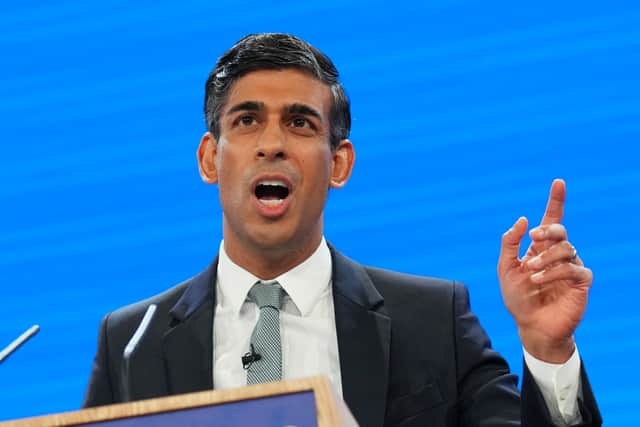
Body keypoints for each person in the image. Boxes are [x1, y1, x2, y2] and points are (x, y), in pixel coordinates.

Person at [83, 33, 602, 427]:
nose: (272, 145)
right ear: (209, 157)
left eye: (300, 123)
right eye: (246, 121)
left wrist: (546, 349)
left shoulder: (431, 320)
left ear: (339, 164)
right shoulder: (132, 341)